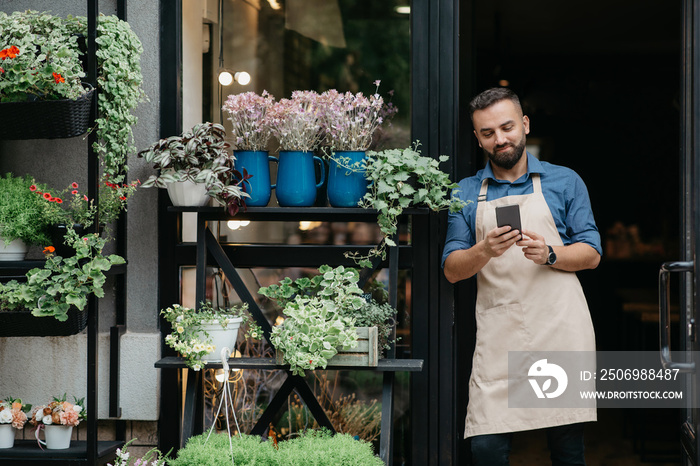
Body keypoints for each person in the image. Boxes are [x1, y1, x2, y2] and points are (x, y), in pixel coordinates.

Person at [442, 87, 602, 465]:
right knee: (486, 447)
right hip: (500, 335)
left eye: (507, 127)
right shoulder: (464, 193)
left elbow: (592, 253)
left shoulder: (565, 181)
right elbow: (451, 270)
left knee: (566, 448)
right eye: (487, 132)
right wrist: (485, 250)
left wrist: (549, 253)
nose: (500, 139)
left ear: (525, 125)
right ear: (477, 138)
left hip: (559, 330)